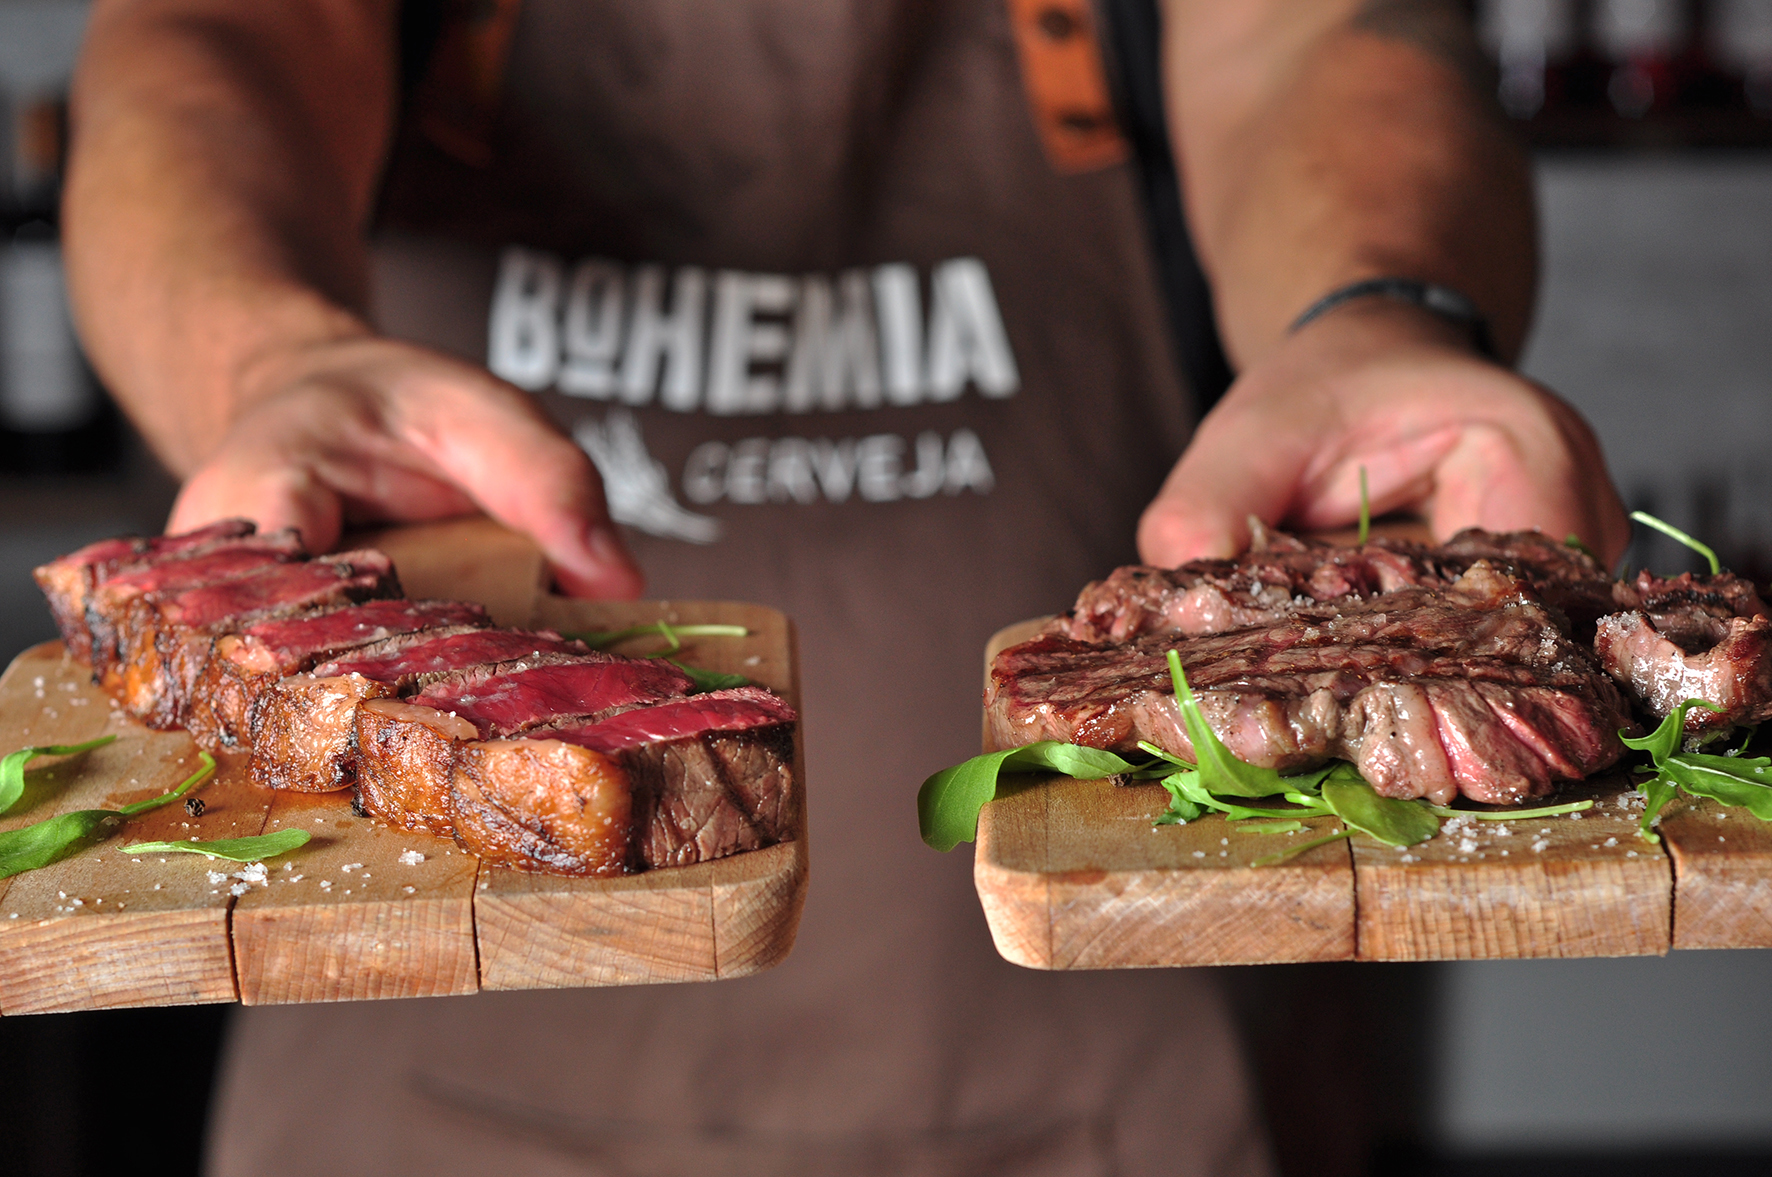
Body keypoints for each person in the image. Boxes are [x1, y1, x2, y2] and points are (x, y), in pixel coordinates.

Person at [63, 0, 1628, 1173]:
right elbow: (210, 42)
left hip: (1122, 1101)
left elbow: (1321, 38)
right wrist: (268, 354)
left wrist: (1379, 305)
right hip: (411, 1115)